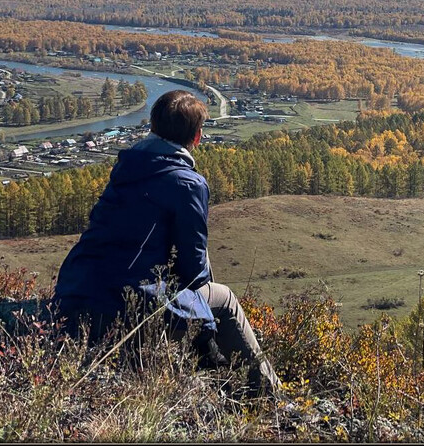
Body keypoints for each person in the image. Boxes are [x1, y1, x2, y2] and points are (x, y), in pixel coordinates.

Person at [53, 90, 279, 394]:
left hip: (75, 290)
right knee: (223, 299)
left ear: (153, 126)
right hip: (125, 305)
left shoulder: (126, 167)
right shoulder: (188, 183)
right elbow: (194, 269)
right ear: (197, 137)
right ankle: (270, 396)